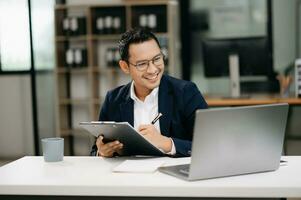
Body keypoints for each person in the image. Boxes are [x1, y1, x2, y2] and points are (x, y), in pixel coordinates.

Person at [91, 28, 208, 157]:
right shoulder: (113, 99)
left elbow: (210, 144)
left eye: (157, 59)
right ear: (125, 67)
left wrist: (166, 143)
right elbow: (96, 148)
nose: (152, 70)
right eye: (142, 64)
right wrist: (101, 152)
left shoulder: (186, 93)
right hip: (127, 175)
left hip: (171, 175)